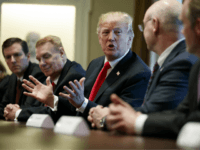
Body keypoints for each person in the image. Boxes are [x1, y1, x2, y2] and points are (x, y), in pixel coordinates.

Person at [87, 0, 198, 129]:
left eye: (143, 26)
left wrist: (106, 118)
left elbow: (155, 112)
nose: (111, 37)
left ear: (154, 25)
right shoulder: (172, 60)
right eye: (106, 32)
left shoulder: (181, 62)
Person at [57, 11, 151, 123]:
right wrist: (52, 99)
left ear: (130, 38)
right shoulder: (95, 63)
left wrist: (83, 104)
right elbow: (78, 106)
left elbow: (120, 120)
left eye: (118, 32)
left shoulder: (139, 73)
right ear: (99, 38)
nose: (111, 38)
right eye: (106, 32)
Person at [4, 35, 86, 122]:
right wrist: (16, 109)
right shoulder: (50, 77)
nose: (42, 64)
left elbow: (54, 113)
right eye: (39, 60)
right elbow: (35, 107)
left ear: (61, 53)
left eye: (46, 56)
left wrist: (18, 113)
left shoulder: (74, 75)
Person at [0, 38, 46, 120]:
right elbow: (3, 107)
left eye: (17, 55)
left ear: (28, 56)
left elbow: (28, 108)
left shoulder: (37, 74)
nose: (12, 60)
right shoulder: (13, 77)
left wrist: (12, 112)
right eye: (8, 57)